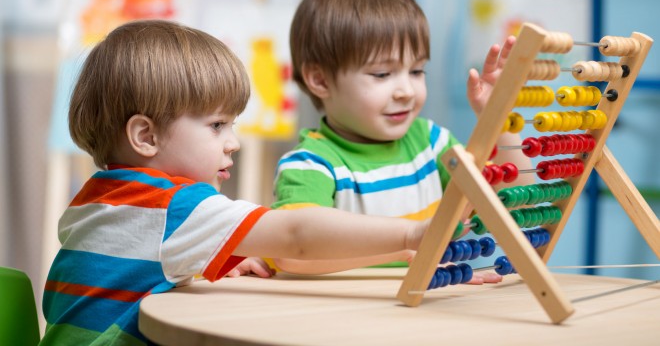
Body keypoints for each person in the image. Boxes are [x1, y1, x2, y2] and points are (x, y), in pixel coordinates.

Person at [40, 20, 432, 346]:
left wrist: (202, 260)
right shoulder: (173, 207)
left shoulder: (97, 198)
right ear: (146, 136)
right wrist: (410, 233)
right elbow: (296, 232)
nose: (234, 142)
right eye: (216, 126)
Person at [271, 0, 531, 277]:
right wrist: (406, 252)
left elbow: (512, 201)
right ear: (320, 80)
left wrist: (498, 119)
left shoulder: (431, 144)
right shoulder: (311, 166)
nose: (406, 90)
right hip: (345, 316)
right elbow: (293, 256)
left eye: (417, 70)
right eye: (382, 74)